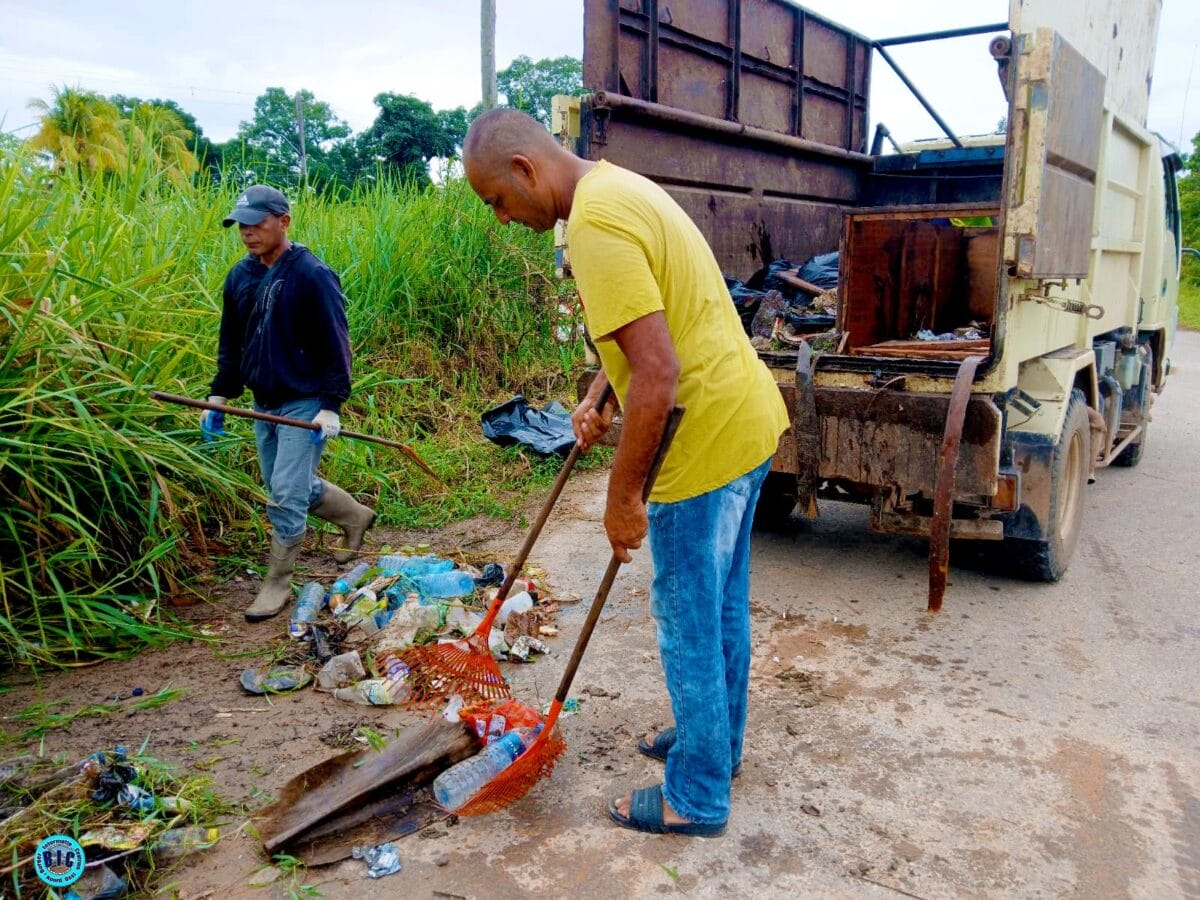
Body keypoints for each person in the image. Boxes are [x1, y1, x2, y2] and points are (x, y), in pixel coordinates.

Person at [463, 109, 789, 837]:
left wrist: (621, 497)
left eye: (496, 200)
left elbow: (660, 370)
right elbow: (655, 322)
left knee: (687, 622)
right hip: (748, 421)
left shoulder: (594, 226)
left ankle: (698, 796)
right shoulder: (616, 189)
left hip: (701, 443)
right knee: (721, 602)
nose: (501, 216)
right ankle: (717, 744)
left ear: (525, 170)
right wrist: (597, 390)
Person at [202, 184, 375, 622]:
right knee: (289, 483)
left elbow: (337, 344)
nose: (247, 232)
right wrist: (219, 395)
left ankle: (277, 581)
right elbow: (232, 344)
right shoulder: (240, 277)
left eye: (257, 222)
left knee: (284, 493)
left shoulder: (311, 273)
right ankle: (355, 516)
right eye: (241, 224)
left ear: (284, 221)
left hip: (305, 401)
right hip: (265, 401)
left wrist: (331, 404)